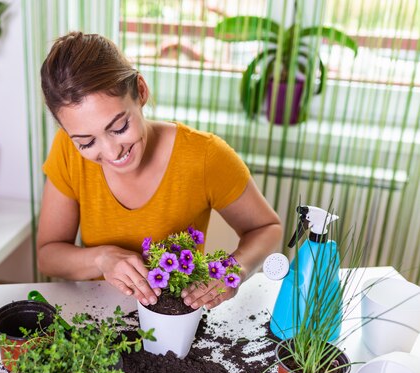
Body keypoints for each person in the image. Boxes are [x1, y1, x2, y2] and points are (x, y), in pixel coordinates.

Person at [36, 31, 282, 310]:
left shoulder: (205, 156)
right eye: (87, 142)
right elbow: (49, 255)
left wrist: (234, 270)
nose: (111, 152)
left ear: (141, 91)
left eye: (118, 128)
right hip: (99, 316)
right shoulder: (66, 151)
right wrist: (101, 259)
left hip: (179, 320)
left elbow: (267, 228)